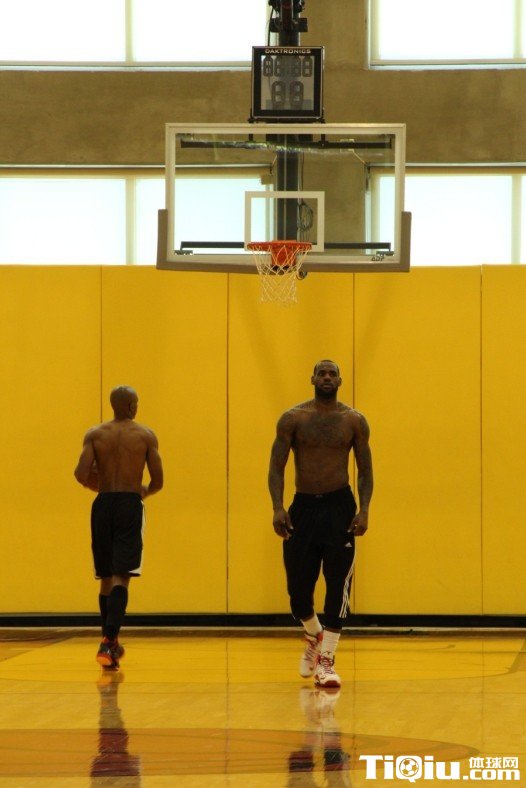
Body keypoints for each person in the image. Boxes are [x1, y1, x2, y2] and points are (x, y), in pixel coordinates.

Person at [268, 360, 373, 689]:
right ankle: (314, 634)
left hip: (340, 507)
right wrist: (277, 507)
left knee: (337, 584)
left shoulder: (353, 420)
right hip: (303, 507)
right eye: (321, 373)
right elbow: (276, 466)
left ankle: (327, 659)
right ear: (312, 379)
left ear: (339, 381)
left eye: (332, 374)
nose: (327, 377)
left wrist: (364, 510)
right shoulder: (293, 418)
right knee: (298, 591)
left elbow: (365, 470)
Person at [74, 386, 163, 670]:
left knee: (105, 577)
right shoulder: (145, 435)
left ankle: (109, 645)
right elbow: (158, 481)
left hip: (102, 505)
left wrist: (100, 486)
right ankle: (109, 641)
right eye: (135, 403)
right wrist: (143, 491)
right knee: (122, 576)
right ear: (131, 406)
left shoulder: (95, 434)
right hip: (129, 504)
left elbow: (81, 474)